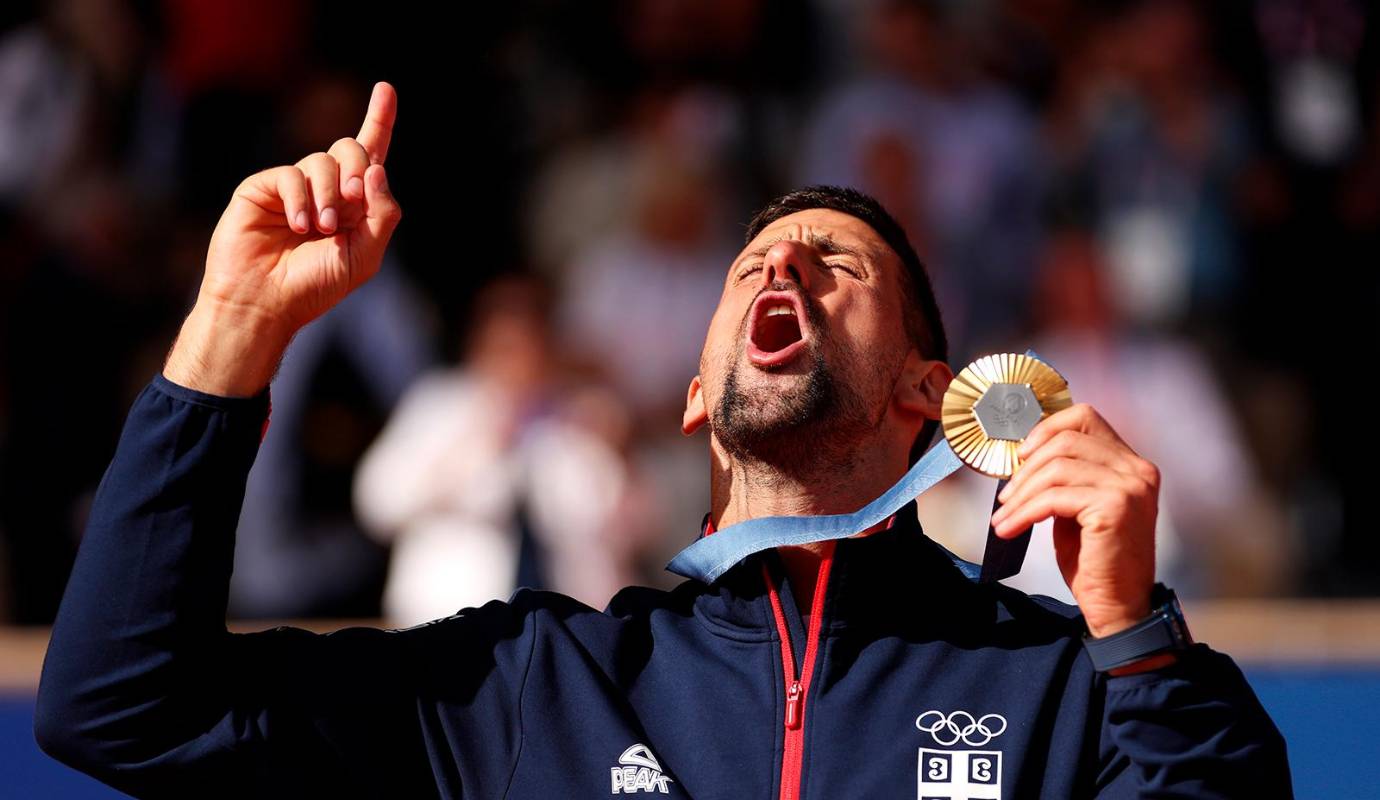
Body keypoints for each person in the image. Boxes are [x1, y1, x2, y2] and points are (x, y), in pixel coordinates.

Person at [34, 82, 1291, 798]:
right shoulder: (532, 687)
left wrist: (1135, 637)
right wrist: (227, 340)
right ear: (698, 392)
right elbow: (121, 707)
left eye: (832, 262)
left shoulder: (1063, 689)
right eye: (749, 266)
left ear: (932, 394)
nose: (780, 263)